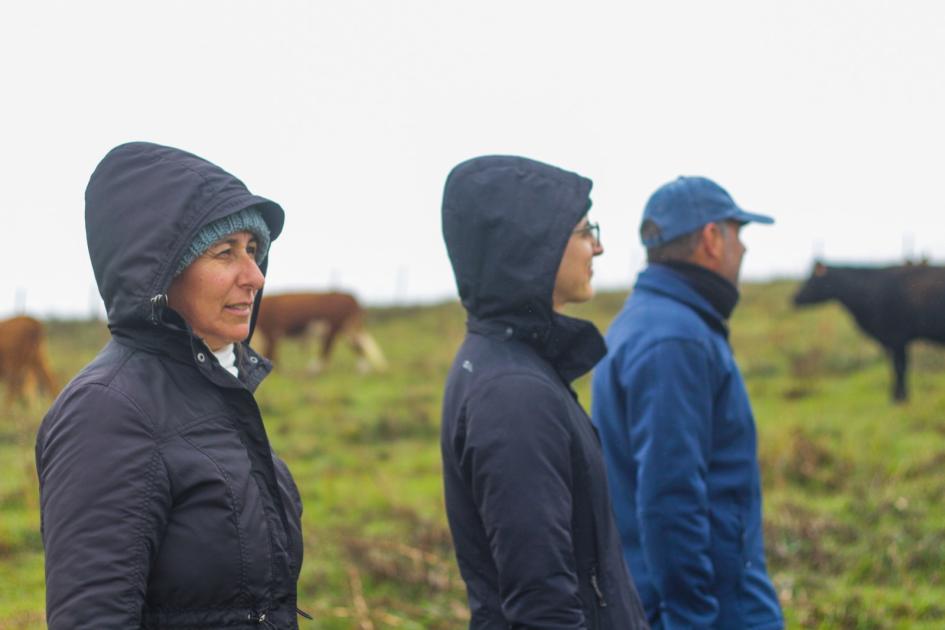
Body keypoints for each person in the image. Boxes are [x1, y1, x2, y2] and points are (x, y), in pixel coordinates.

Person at [35, 142, 306, 629]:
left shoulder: (217, 389)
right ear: (160, 272)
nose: (255, 277)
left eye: (254, 250)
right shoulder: (107, 411)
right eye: (225, 253)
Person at [440, 155, 649, 629]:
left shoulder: (513, 366)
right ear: (532, 246)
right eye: (583, 230)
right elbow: (542, 605)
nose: (597, 247)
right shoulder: (513, 395)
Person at [591, 176, 784, 629]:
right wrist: (692, 617)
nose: (744, 250)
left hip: (676, 597)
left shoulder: (645, 322)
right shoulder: (676, 339)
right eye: (739, 233)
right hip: (715, 609)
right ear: (712, 239)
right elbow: (669, 496)